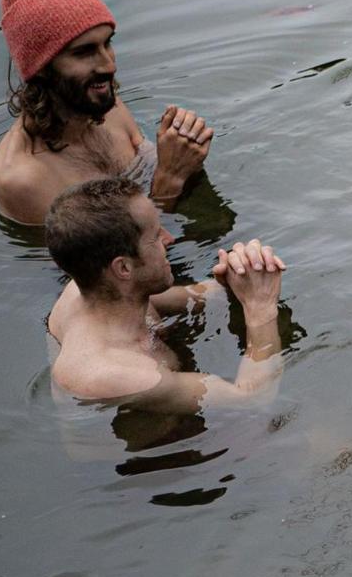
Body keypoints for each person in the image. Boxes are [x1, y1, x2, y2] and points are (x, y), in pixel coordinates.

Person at [0, 0, 214, 227]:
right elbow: (108, 265)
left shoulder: (101, 103)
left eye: (108, 43)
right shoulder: (23, 179)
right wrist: (170, 178)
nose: (109, 65)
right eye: (84, 52)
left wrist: (183, 152)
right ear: (41, 69)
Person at [43, 177, 288, 414]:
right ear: (124, 268)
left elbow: (196, 296)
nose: (169, 240)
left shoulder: (99, 289)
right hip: (150, 452)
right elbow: (252, 400)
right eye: (155, 236)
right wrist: (260, 308)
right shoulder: (114, 374)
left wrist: (241, 274)